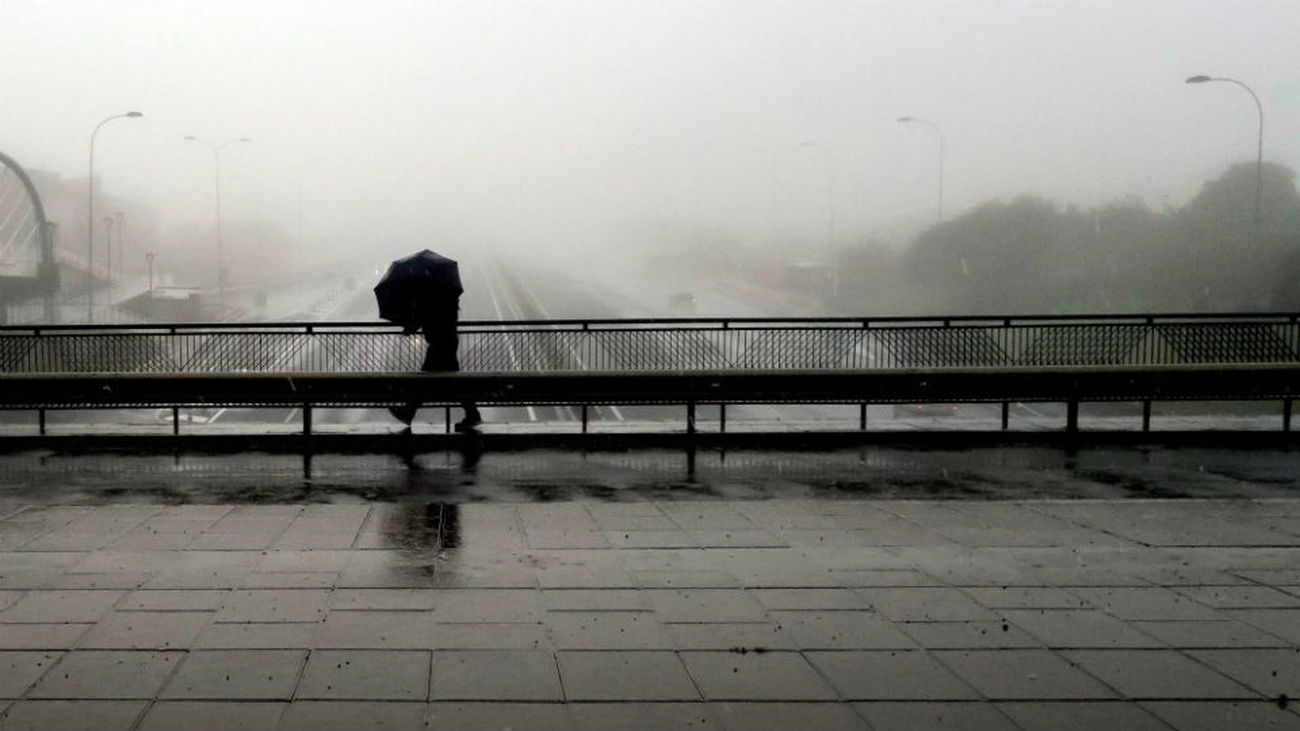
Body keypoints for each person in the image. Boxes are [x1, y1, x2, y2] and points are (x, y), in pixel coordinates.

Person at [389, 291, 482, 431]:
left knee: (425, 380)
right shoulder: (447, 298)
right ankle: (472, 414)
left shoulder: (434, 297)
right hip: (447, 341)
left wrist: (410, 328)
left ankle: (409, 412)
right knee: (454, 382)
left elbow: (426, 317)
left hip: (439, 344)